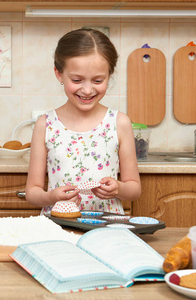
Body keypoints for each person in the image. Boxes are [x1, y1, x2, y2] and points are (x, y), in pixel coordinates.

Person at [25, 28, 141, 215]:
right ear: (59, 74)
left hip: (106, 227)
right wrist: (51, 197)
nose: (87, 90)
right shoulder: (45, 124)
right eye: (77, 80)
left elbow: (134, 189)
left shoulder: (119, 123)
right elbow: (32, 192)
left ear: (109, 76)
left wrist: (118, 188)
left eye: (97, 80)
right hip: (57, 224)